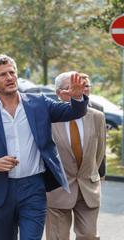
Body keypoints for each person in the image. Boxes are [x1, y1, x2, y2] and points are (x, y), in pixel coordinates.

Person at [0, 54, 88, 239]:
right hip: (1, 190)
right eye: (2, 75)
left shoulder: (39, 103)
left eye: (12, 72)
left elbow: (73, 112)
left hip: (33, 189)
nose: (9, 77)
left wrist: (78, 97)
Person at [45, 72, 106, 240]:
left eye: (84, 86)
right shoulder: (48, 117)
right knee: (57, 237)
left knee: (89, 235)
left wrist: (92, 174)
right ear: (59, 93)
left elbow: (99, 151)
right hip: (58, 189)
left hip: (87, 188)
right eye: (74, 87)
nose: (81, 91)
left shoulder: (97, 116)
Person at [80, 73, 106, 178]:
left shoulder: (98, 108)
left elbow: (101, 141)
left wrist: (101, 172)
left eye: (87, 86)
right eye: (81, 86)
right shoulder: (64, 107)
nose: (84, 89)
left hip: (92, 168)